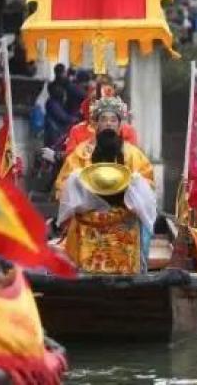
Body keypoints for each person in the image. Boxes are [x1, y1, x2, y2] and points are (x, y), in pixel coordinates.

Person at [53, 96, 156, 274]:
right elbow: (63, 185)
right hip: (89, 219)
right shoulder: (81, 153)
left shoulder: (133, 154)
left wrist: (133, 185)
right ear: (96, 124)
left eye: (113, 120)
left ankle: (137, 269)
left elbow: (148, 186)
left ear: (120, 124)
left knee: (144, 228)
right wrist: (79, 185)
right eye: (104, 119)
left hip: (124, 217)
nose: (108, 124)